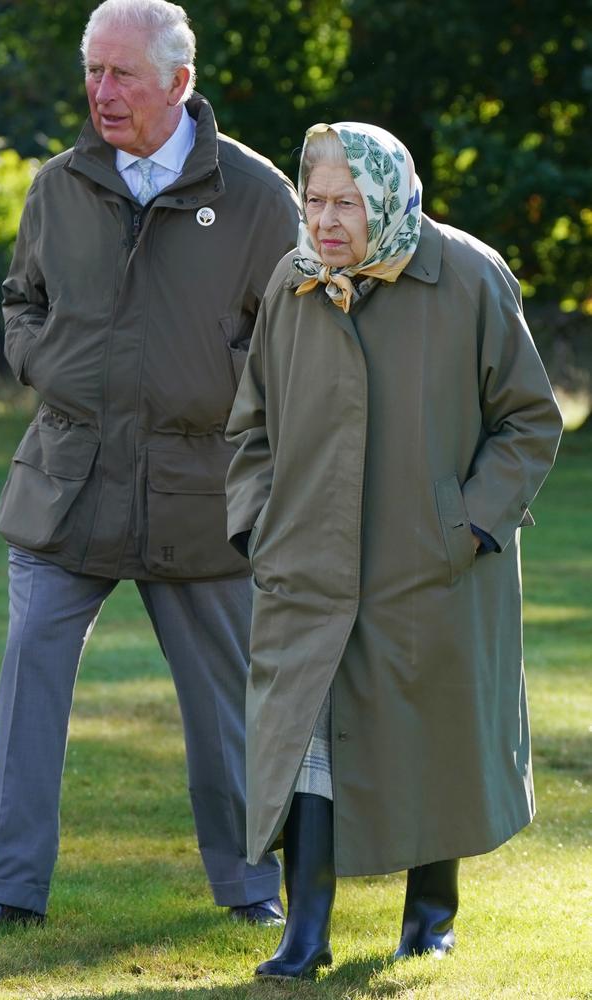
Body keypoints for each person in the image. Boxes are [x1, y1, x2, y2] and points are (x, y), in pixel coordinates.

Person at [0, 0, 300, 939]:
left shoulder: (261, 198)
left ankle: (249, 887)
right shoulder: (58, 185)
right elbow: (23, 299)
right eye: (92, 72)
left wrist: (235, 394)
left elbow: (297, 340)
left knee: (227, 711)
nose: (101, 93)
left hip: (201, 493)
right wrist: (44, 363)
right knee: (28, 691)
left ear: (179, 83)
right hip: (67, 482)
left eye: (122, 74)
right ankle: (8, 892)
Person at [225, 121, 563, 979]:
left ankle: (431, 916)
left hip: (429, 565)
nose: (328, 221)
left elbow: (528, 420)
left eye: (347, 202)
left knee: (429, 733)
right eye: (316, 200)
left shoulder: (470, 276)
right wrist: (257, 521)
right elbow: (252, 423)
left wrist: (471, 526)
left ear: (388, 197)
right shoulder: (294, 278)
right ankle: (304, 933)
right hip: (306, 562)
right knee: (304, 734)